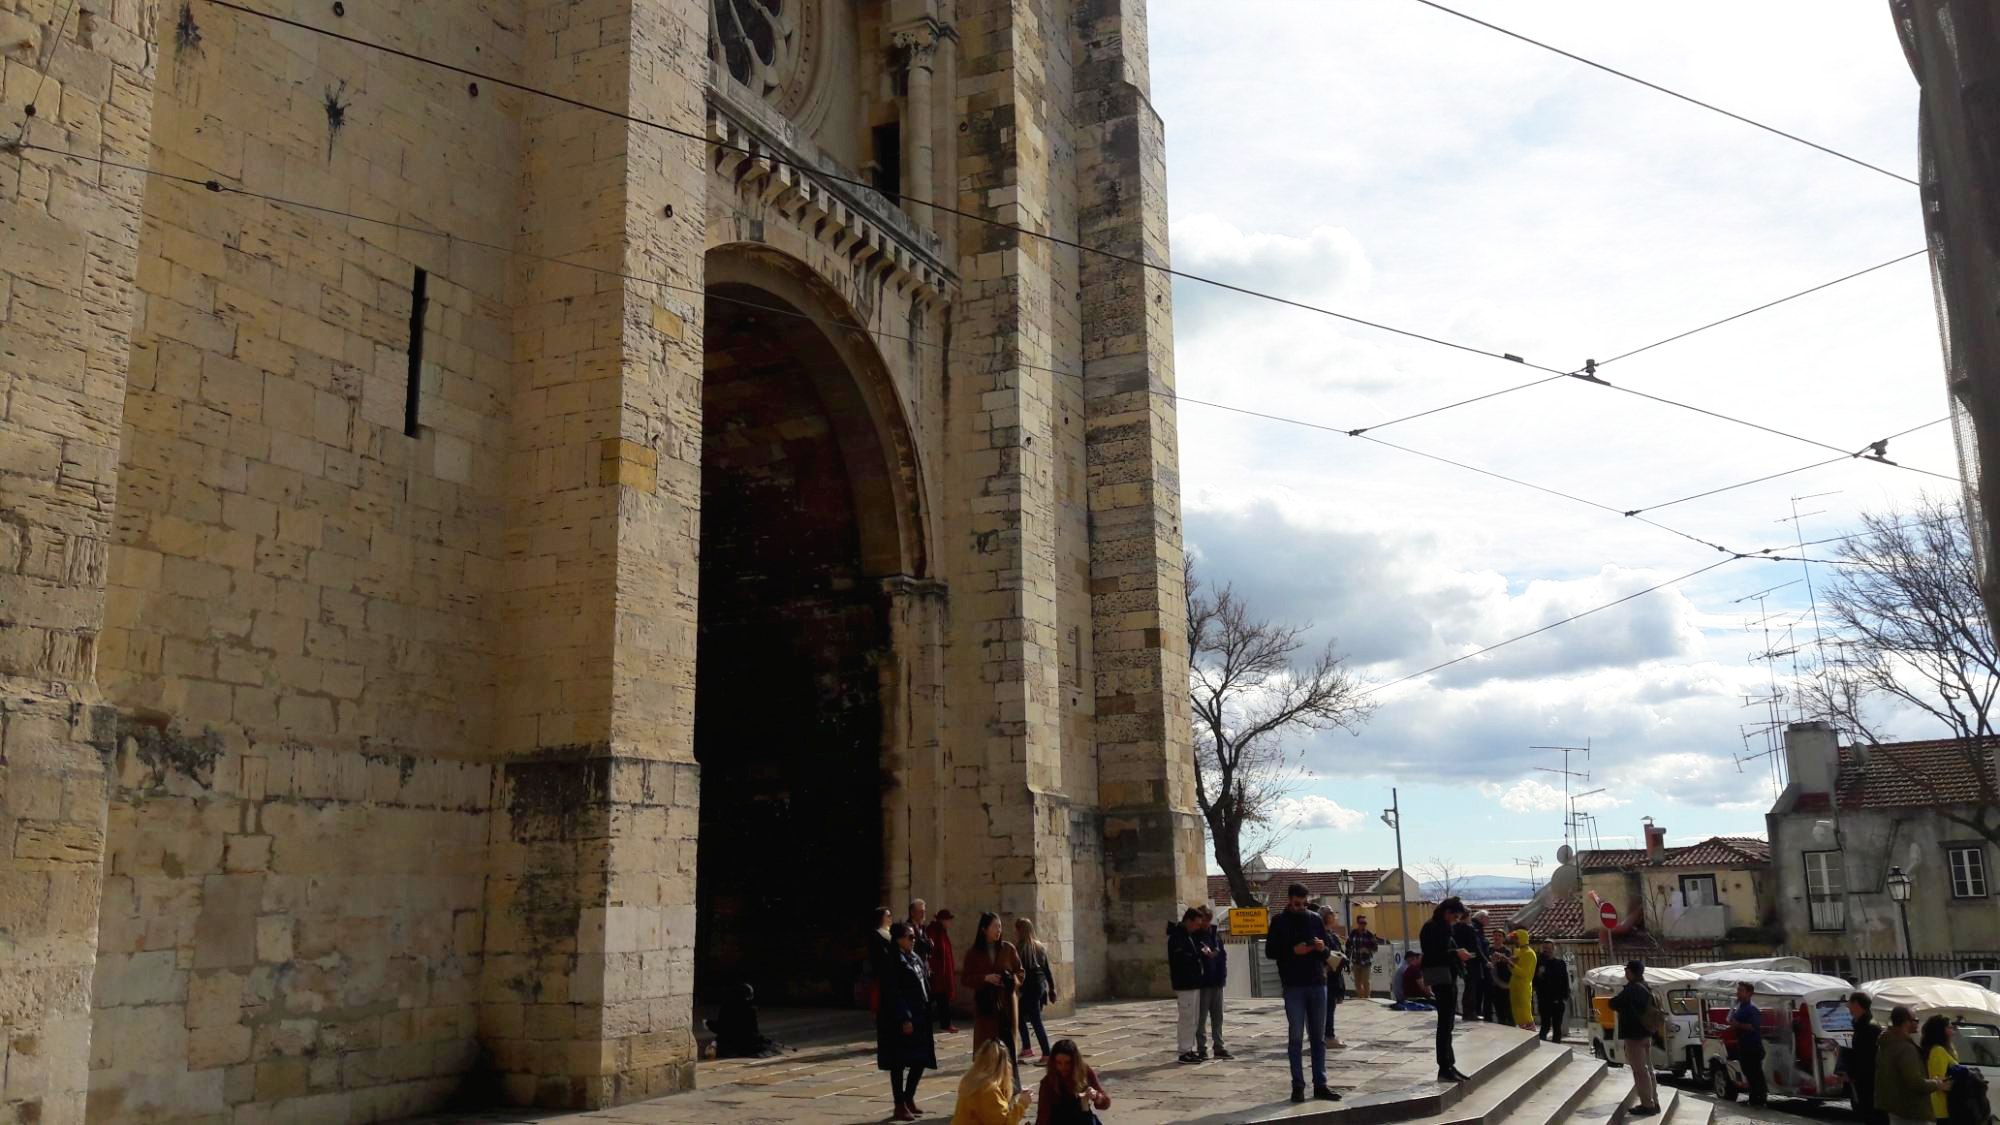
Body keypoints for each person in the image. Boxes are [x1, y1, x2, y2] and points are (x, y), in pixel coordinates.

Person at [1265, 882, 1341, 1104]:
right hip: (1293, 985)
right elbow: (1270, 951)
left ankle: (1321, 1084)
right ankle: (1297, 1085)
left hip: (1317, 982)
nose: (1300, 907)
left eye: (1304, 903)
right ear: (1289, 900)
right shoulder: (1279, 921)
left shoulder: (1314, 918)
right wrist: (1292, 951)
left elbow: (1327, 951)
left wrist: (1320, 948)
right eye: (1297, 903)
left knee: (1318, 1038)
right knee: (1296, 1037)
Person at [879, 922, 939, 1122]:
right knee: (899, 1062)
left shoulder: (913, 957)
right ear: (898, 939)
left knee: (921, 1058)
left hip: (920, 1013)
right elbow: (893, 992)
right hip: (901, 1017)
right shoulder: (892, 960)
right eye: (909, 937)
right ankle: (899, 1104)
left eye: (914, 937)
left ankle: (908, 1097)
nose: (913, 940)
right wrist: (904, 1017)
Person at [962, 912, 1024, 1085]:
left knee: (1008, 1047)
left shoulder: (1008, 948)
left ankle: (1012, 1084)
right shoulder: (973, 953)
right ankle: (987, 1086)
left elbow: (1020, 972)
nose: (999, 930)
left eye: (1000, 926)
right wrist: (985, 978)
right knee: (987, 1048)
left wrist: (1011, 980)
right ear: (984, 929)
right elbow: (965, 978)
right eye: (995, 926)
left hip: (1007, 1007)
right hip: (986, 1007)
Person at [1419, 898, 1473, 1082]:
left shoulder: (1444, 927)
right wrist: (1456, 953)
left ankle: (1449, 1063)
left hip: (1449, 976)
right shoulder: (1431, 927)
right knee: (1444, 1023)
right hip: (1440, 977)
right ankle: (1444, 1066)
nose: (1456, 920)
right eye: (1455, 916)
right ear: (1447, 912)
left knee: (1449, 1023)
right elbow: (1433, 953)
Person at [1877, 1005, 1950, 1125]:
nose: (1917, 1023)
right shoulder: (1905, 1048)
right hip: (1911, 1110)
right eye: (1915, 1020)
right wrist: (1937, 1083)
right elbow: (1915, 1082)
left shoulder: (1887, 1043)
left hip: (1895, 1107)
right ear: (1906, 1022)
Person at [1609, 960, 1660, 1118]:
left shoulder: (1632, 989)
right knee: (1648, 1069)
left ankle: (1647, 1104)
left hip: (1634, 1035)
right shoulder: (1646, 986)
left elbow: (1614, 1003)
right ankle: (1654, 1100)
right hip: (1646, 1033)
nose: (1625, 973)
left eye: (1627, 970)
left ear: (1631, 972)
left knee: (1640, 1071)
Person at [950, 1039, 1032, 1125]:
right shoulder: (989, 1089)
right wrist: (1022, 1103)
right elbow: (1004, 1122)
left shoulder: (972, 1080)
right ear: (1003, 1064)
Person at [1034, 1039, 1111, 1125]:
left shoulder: (1085, 1072)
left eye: (1068, 1063)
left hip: (1083, 1120)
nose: (1063, 1067)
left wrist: (1096, 1096)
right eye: (1059, 1063)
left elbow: (1106, 1103)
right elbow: (1043, 1115)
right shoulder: (1048, 1082)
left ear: (1075, 1062)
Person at [1167, 907, 1207, 1063]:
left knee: (1194, 1018)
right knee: (1187, 1018)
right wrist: (1198, 953)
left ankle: (1189, 1048)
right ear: (1188, 921)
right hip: (1184, 983)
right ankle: (1184, 1051)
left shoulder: (1187, 936)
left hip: (1193, 982)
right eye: (1196, 924)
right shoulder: (1177, 937)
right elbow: (1181, 959)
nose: (1198, 927)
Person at [707, 981, 784, 1058]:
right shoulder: (749, 1010)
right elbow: (753, 1033)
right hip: (743, 1045)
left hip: (728, 1045)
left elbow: (722, 1028)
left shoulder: (726, 1007)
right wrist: (762, 1039)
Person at [1015, 917, 1054, 1060]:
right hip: (1039, 987)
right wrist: (1052, 988)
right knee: (1028, 1017)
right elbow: (1046, 970)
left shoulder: (1020, 948)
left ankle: (1044, 1052)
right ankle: (1029, 1048)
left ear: (1020, 930)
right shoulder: (1039, 946)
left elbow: (1020, 971)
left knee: (1031, 1019)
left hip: (1029, 988)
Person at [1197, 905, 1232, 1059]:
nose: (1206, 923)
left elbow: (1222, 956)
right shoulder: (1195, 936)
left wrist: (1222, 975)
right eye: (1204, 920)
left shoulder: (1215, 935)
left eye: (1208, 920)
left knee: (1218, 1017)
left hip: (1216, 981)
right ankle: (1201, 1048)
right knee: (1201, 1018)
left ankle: (1219, 1046)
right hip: (1203, 982)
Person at [1729, 980, 1769, 1107]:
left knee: (1755, 1073)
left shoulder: (1752, 1009)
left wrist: (1738, 1025)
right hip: (1743, 1046)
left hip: (1753, 1047)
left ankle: (1760, 1099)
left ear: (1750, 993)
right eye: (1738, 991)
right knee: (1748, 1073)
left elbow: (1754, 1027)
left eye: (1741, 991)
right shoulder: (1740, 1007)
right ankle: (1753, 1098)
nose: (1738, 993)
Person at [1847, 991, 1883, 1125]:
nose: (1848, 1007)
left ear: (1856, 1004)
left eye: (1849, 1004)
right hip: (1863, 1080)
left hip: (1869, 1081)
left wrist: (1853, 1071)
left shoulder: (1869, 1027)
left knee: (1873, 1115)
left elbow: (1866, 1056)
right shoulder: (1861, 1026)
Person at [1317, 906, 1347, 1050]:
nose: (1334, 916)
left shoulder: (1330, 933)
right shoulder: (1322, 934)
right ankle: (1328, 1036)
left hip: (1334, 976)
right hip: (1327, 976)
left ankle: (1327, 1035)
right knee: (1328, 1007)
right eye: (1331, 913)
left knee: (1330, 1006)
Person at [927, 909, 961, 1034]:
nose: (949, 922)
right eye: (948, 920)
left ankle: (945, 1024)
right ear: (942, 920)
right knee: (931, 999)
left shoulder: (942, 931)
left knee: (942, 999)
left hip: (943, 972)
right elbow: (932, 951)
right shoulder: (933, 930)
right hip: (937, 972)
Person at [1451, 908, 1487, 1025]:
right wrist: (1486, 961)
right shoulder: (1470, 928)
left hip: (1458, 960)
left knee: (1463, 986)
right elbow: (1477, 947)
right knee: (1471, 987)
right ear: (1467, 916)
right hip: (1472, 960)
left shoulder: (1454, 928)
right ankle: (1469, 1013)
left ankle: (1462, 1011)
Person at [1921, 1016, 1957, 1124]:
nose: (1953, 1031)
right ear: (1940, 1031)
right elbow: (1939, 1080)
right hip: (1942, 1107)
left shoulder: (1945, 1049)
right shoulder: (1938, 1051)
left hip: (1945, 1106)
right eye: (1949, 1027)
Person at [1534, 941, 1569, 1043]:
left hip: (1558, 1000)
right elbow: (1535, 982)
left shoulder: (1560, 963)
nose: (1547, 951)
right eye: (1545, 948)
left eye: (1549, 948)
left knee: (1557, 1027)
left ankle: (1556, 1047)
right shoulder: (1539, 964)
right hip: (1544, 1000)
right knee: (1545, 1026)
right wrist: (1539, 974)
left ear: (1553, 949)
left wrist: (1564, 996)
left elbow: (1565, 980)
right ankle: (1541, 1046)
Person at [1503, 930, 1537, 1030]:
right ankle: (1522, 1029)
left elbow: (1524, 973)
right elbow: (1512, 969)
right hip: (1515, 985)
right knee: (1516, 1009)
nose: (1514, 941)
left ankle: (1530, 1030)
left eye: (1516, 938)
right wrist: (1508, 961)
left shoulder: (1529, 953)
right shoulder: (1518, 952)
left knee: (1524, 1010)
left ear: (1522, 939)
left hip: (1523, 986)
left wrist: (1510, 963)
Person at [868, 906, 896, 1011]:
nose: (891, 918)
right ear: (880, 918)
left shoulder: (891, 934)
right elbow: (882, 955)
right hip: (883, 976)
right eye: (888, 916)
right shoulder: (875, 935)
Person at [1346, 916, 1381, 999]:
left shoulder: (1369, 935)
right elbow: (1348, 945)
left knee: (1366, 981)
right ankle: (1361, 997)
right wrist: (1347, 958)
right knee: (1357, 982)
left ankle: (1367, 997)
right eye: (1362, 923)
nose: (1364, 925)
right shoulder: (1353, 933)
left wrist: (1368, 950)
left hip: (1366, 962)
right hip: (1356, 961)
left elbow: (1375, 947)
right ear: (1358, 923)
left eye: (1365, 923)